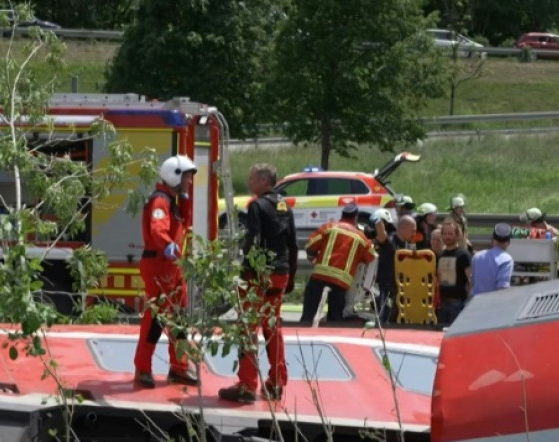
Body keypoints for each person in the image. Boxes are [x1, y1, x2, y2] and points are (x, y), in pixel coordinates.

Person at [218, 164, 298, 404]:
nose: (249, 181)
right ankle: (275, 383)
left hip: (258, 275)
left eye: (252, 178)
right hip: (280, 273)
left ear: (264, 181)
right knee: (273, 328)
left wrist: (244, 272)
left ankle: (246, 385)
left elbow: (254, 240)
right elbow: (292, 244)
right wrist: (291, 277)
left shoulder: (256, 205)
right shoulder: (284, 206)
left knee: (247, 329)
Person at [132, 155, 200, 389]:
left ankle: (179, 367)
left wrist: (186, 199)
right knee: (156, 319)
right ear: (175, 176)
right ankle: (142, 368)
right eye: (187, 178)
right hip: (159, 264)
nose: (190, 182)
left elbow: (184, 221)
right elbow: (158, 229)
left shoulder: (173, 200)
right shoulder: (160, 201)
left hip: (172, 266)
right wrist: (168, 245)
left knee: (179, 317)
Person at [301, 203, 376, 324]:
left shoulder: (329, 227)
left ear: (342, 214)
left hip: (319, 277)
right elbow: (371, 257)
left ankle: (302, 337)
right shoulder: (360, 238)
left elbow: (310, 245)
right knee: (334, 319)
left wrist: (312, 257)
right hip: (340, 283)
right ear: (355, 217)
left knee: (308, 315)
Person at [372, 211, 416, 324]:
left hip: (398, 290)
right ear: (404, 228)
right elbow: (382, 237)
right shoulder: (391, 241)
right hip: (386, 289)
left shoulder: (405, 245)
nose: (414, 234)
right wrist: (378, 221)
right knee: (384, 320)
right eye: (413, 230)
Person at [435, 220, 472, 325]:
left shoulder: (463, 255)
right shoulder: (440, 255)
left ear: (457, 235)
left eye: (450, 233)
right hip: (442, 304)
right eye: (445, 233)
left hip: (457, 304)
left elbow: (470, 279)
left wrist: (468, 302)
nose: (447, 236)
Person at [520, 207, 559, 275]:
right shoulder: (531, 232)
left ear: (534, 223)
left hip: (551, 268)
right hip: (536, 266)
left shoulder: (552, 232)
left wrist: (555, 245)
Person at [470, 223, 513, 297]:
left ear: (493, 240)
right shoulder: (506, 260)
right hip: (492, 304)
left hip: (474, 302)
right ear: (508, 242)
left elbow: (471, 282)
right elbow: (502, 288)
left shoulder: (477, 256)